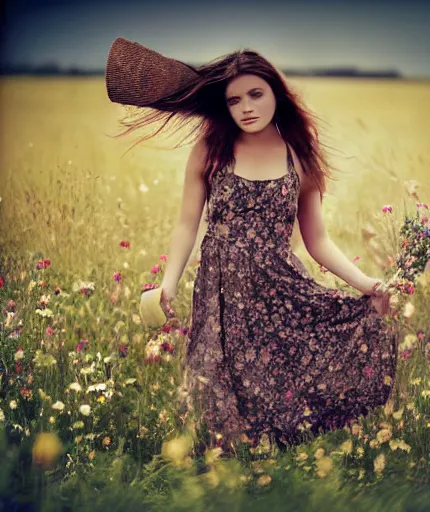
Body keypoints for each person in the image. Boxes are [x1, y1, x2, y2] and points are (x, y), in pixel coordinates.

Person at [106, 39, 396, 456]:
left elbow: (318, 241)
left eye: (256, 94)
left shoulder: (298, 157)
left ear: (276, 93)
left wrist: (368, 284)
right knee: (217, 383)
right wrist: (168, 282)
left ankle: (274, 467)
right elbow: (188, 224)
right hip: (220, 292)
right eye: (234, 100)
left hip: (280, 290)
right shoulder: (210, 151)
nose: (246, 107)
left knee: (279, 382)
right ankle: (224, 467)